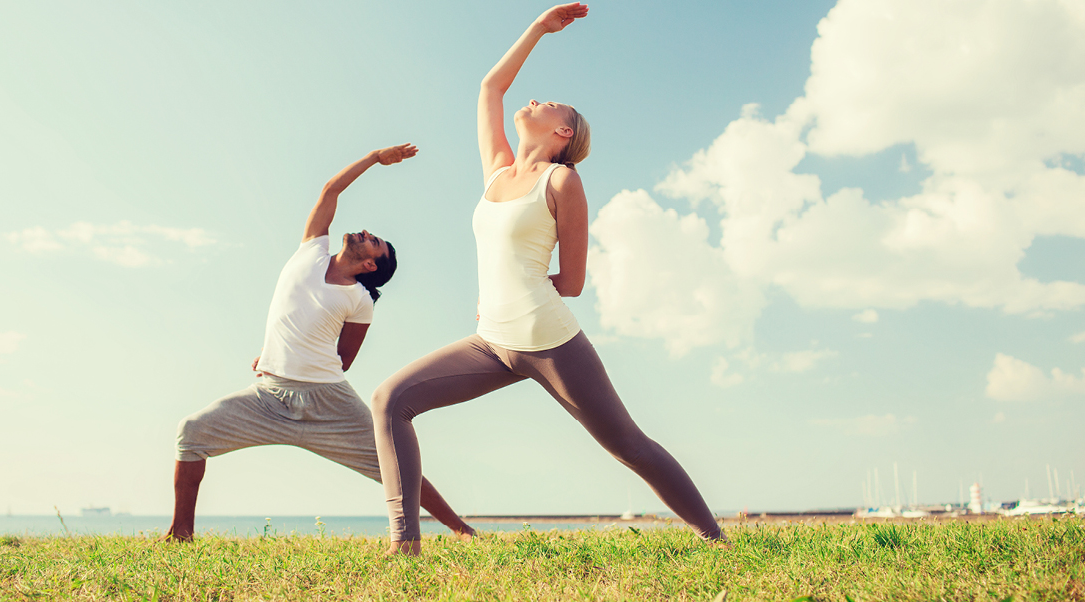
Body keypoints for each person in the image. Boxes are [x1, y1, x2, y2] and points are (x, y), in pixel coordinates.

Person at [371, 4, 726, 556]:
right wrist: (538, 28)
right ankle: (404, 543)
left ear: (563, 131)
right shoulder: (498, 171)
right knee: (390, 399)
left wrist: (523, 292)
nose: (531, 99)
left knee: (627, 445)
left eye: (548, 102)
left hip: (549, 341)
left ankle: (715, 538)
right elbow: (491, 87)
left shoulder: (561, 181)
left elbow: (575, 281)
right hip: (490, 342)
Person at [164, 143, 476, 542]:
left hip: (330, 403)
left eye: (373, 242)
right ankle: (181, 532)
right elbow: (330, 191)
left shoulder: (360, 301)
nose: (365, 233)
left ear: (369, 266)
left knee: (394, 465)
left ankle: (461, 529)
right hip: (269, 397)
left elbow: (344, 358)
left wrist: (298, 355)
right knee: (191, 433)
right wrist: (374, 158)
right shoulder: (310, 251)